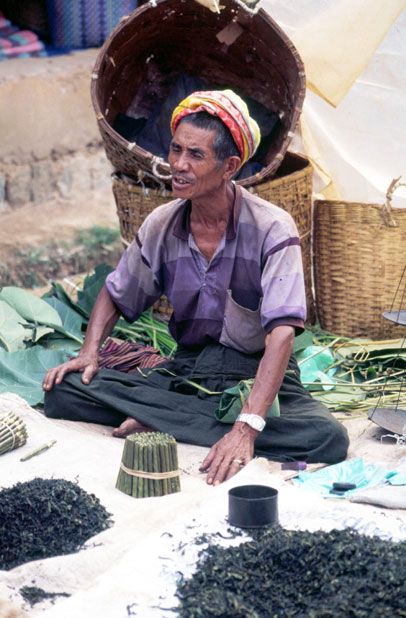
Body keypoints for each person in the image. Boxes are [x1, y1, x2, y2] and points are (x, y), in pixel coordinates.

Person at [43, 90, 349, 485]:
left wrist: (247, 427)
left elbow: (282, 336)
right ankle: (178, 419)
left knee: (327, 438)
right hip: (188, 371)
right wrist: (89, 353)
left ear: (230, 167)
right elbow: (117, 292)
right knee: (64, 390)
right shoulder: (162, 223)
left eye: (196, 155)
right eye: (175, 150)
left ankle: (162, 419)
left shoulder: (272, 228)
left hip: (258, 376)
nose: (178, 166)